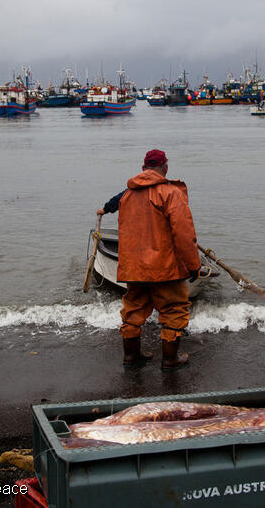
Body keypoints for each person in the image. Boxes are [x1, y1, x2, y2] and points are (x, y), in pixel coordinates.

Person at [97, 149, 201, 371]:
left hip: (134, 267)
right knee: (174, 311)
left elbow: (113, 205)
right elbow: (183, 234)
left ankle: (131, 357)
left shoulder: (127, 194)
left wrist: (104, 209)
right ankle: (170, 360)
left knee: (133, 311)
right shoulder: (170, 192)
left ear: (144, 168)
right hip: (165, 269)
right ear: (165, 168)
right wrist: (193, 265)